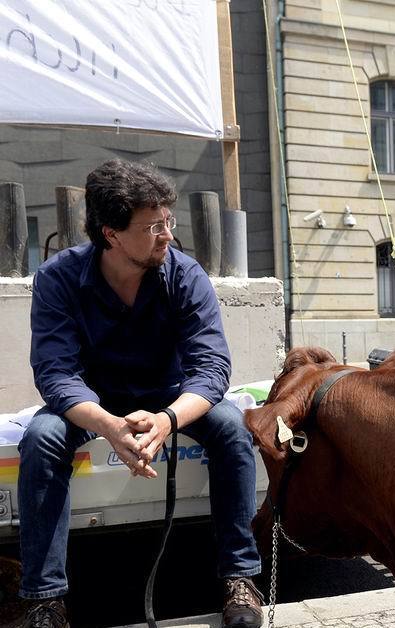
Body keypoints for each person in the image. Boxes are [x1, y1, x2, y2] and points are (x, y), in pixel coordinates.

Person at [21, 160, 262, 628]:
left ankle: (240, 577)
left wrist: (168, 419)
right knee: (41, 437)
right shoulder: (58, 279)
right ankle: (45, 599)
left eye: (168, 221)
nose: (167, 235)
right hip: (92, 402)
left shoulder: (185, 276)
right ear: (110, 233)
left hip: (171, 398)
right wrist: (109, 425)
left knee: (232, 426)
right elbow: (55, 373)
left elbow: (212, 368)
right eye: (153, 226)